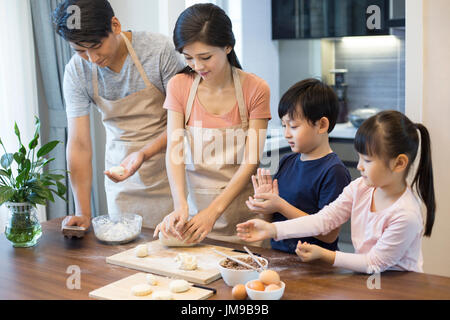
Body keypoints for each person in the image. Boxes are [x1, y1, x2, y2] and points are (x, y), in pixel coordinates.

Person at [237, 110, 435, 274]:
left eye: (367, 160)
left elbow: (373, 263)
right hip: (367, 280)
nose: (359, 166)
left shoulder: (405, 214)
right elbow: (323, 219)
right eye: (359, 158)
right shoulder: (361, 188)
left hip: (402, 287)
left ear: (399, 163)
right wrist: (272, 229)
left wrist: (325, 255)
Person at [53, 0, 185, 229]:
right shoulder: (76, 71)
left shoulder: (158, 51)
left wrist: (143, 153)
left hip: (173, 176)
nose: (92, 58)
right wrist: (83, 212)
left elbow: (185, 120)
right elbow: (79, 144)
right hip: (123, 182)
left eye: (95, 46)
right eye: (80, 51)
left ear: (115, 25)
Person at [152, 3, 271, 245]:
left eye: (205, 57)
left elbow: (250, 162)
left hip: (244, 220)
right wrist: (180, 205)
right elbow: (175, 152)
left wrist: (213, 213)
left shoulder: (255, 89)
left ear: (228, 46)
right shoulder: (179, 85)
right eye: (188, 58)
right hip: (196, 216)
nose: (197, 66)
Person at [246, 79, 351, 253]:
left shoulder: (334, 171)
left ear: (322, 125)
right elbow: (272, 222)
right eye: (283, 125)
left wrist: (280, 205)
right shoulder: (287, 161)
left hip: (316, 266)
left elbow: (329, 234)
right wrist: (265, 205)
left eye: (293, 126)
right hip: (279, 257)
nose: (286, 133)